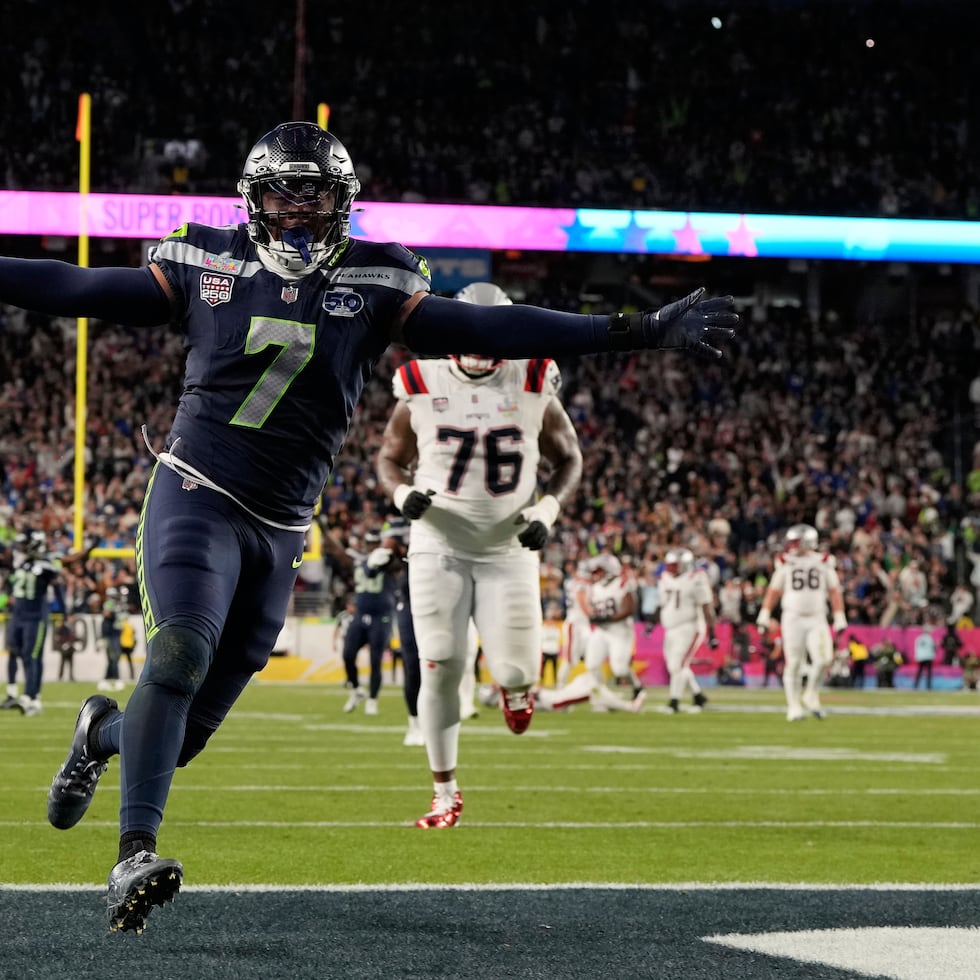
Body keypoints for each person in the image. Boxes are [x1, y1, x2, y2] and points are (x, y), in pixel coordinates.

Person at [0, 121, 735, 931]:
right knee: (177, 651)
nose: (302, 211)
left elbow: (492, 329)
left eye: (319, 195)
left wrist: (633, 329)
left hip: (282, 529)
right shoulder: (202, 262)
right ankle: (133, 854)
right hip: (198, 494)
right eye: (287, 192)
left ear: (342, 203)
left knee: (177, 739)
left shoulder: (378, 280)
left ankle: (101, 732)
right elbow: (72, 287)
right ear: (255, 197)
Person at [375, 280, 589, 828]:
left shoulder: (535, 378)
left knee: (517, 668)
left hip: (509, 548)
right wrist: (402, 494)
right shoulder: (419, 381)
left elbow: (570, 459)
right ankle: (444, 792)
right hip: (438, 544)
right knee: (441, 662)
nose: (481, 343)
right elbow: (389, 459)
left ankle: (517, 690)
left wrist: (547, 511)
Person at [756, 524, 847, 721]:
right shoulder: (785, 562)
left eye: (796, 541)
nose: (792, 545)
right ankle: (794, 705)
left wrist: (839, 616)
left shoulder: (823, 561)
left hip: (817, 616)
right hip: (793, 617)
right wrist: (765, 613)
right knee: (794, 662)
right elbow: (774, 590)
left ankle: (810, 693)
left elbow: (834, 590)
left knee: (824, 659)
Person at [536, 553, 647, 714]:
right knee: (592, 665)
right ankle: (603, 698)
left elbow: (629, 608)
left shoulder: (621, 582)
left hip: (619, 630)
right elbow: (588, 607)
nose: (595, 574)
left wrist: (608, 617)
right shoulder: (593, 587)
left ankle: (637, 687)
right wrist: (596, 617)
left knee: (620, 669)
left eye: (599, 571)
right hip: (601, 630)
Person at [3, 530, 67, 716]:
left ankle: (32, 697)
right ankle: (23, 694)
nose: (21, 549)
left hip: (35, 618)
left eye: (25, 545)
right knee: (18, 653)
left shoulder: (46, 566)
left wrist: (64, 614)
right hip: (17, 616)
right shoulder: (22, 563)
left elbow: (58, 591)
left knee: (33, 656)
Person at [341, 531, 398, 715]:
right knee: (348, 654)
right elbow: (339, 554)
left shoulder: (388, 561)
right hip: (361, 613)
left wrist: (388, 554)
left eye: (375, 543)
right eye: (369, 542)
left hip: (381, 616)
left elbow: (392, 565)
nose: (372, 546)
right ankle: (357, 690)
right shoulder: (359, 560)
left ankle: (372, 699)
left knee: (375, 660)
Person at [652, 548, 715, 714]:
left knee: (677, 665)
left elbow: (706, 606)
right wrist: (652, 622)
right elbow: (662, 603)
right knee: (676, 665)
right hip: (670, 628)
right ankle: (698, 696)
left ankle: (674, 702)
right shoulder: (665, 578)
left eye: (674, 565)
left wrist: (712, 633)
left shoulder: (696, 578)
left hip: (690, 627)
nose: (669, 569)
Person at [913, 622, 937, 690]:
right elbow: (933, 647)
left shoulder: (919, 638)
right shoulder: (929, 638)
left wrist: (917, 656)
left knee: (919, 672)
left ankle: (915, 686)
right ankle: (928, 686)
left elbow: (916, 648)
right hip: (928, 657)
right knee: (928, 673)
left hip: (921, 657)